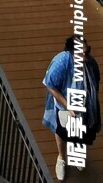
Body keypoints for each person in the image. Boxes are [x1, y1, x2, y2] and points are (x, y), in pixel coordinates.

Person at [43, 35, 100, 180]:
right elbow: (50, 85)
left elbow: (95, 83)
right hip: (66, 107)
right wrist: (66, 104)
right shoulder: (61, 61)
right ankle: (62, 158)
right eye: (83, 53)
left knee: (84, 131)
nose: (87, 55)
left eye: (88, 51)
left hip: (86, 106)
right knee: (63, 132)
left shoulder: (90, 62)